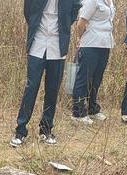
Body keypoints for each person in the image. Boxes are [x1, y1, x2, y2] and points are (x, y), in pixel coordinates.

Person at [10, 0, 81, 147]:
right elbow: (28, 11)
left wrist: (65, 25)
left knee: (52, 89)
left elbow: (76, 8)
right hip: (37, 43)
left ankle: (46, 129)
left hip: (58, 46)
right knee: (31, 87)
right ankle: (20, 130)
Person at [71, 0, 116, 125]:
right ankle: (78, 113)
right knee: (83, 78)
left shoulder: (110, 1)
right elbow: (81, 23)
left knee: (96, 78)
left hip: (105, 43)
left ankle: (92, 108)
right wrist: (80, 38)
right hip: (90, 43)